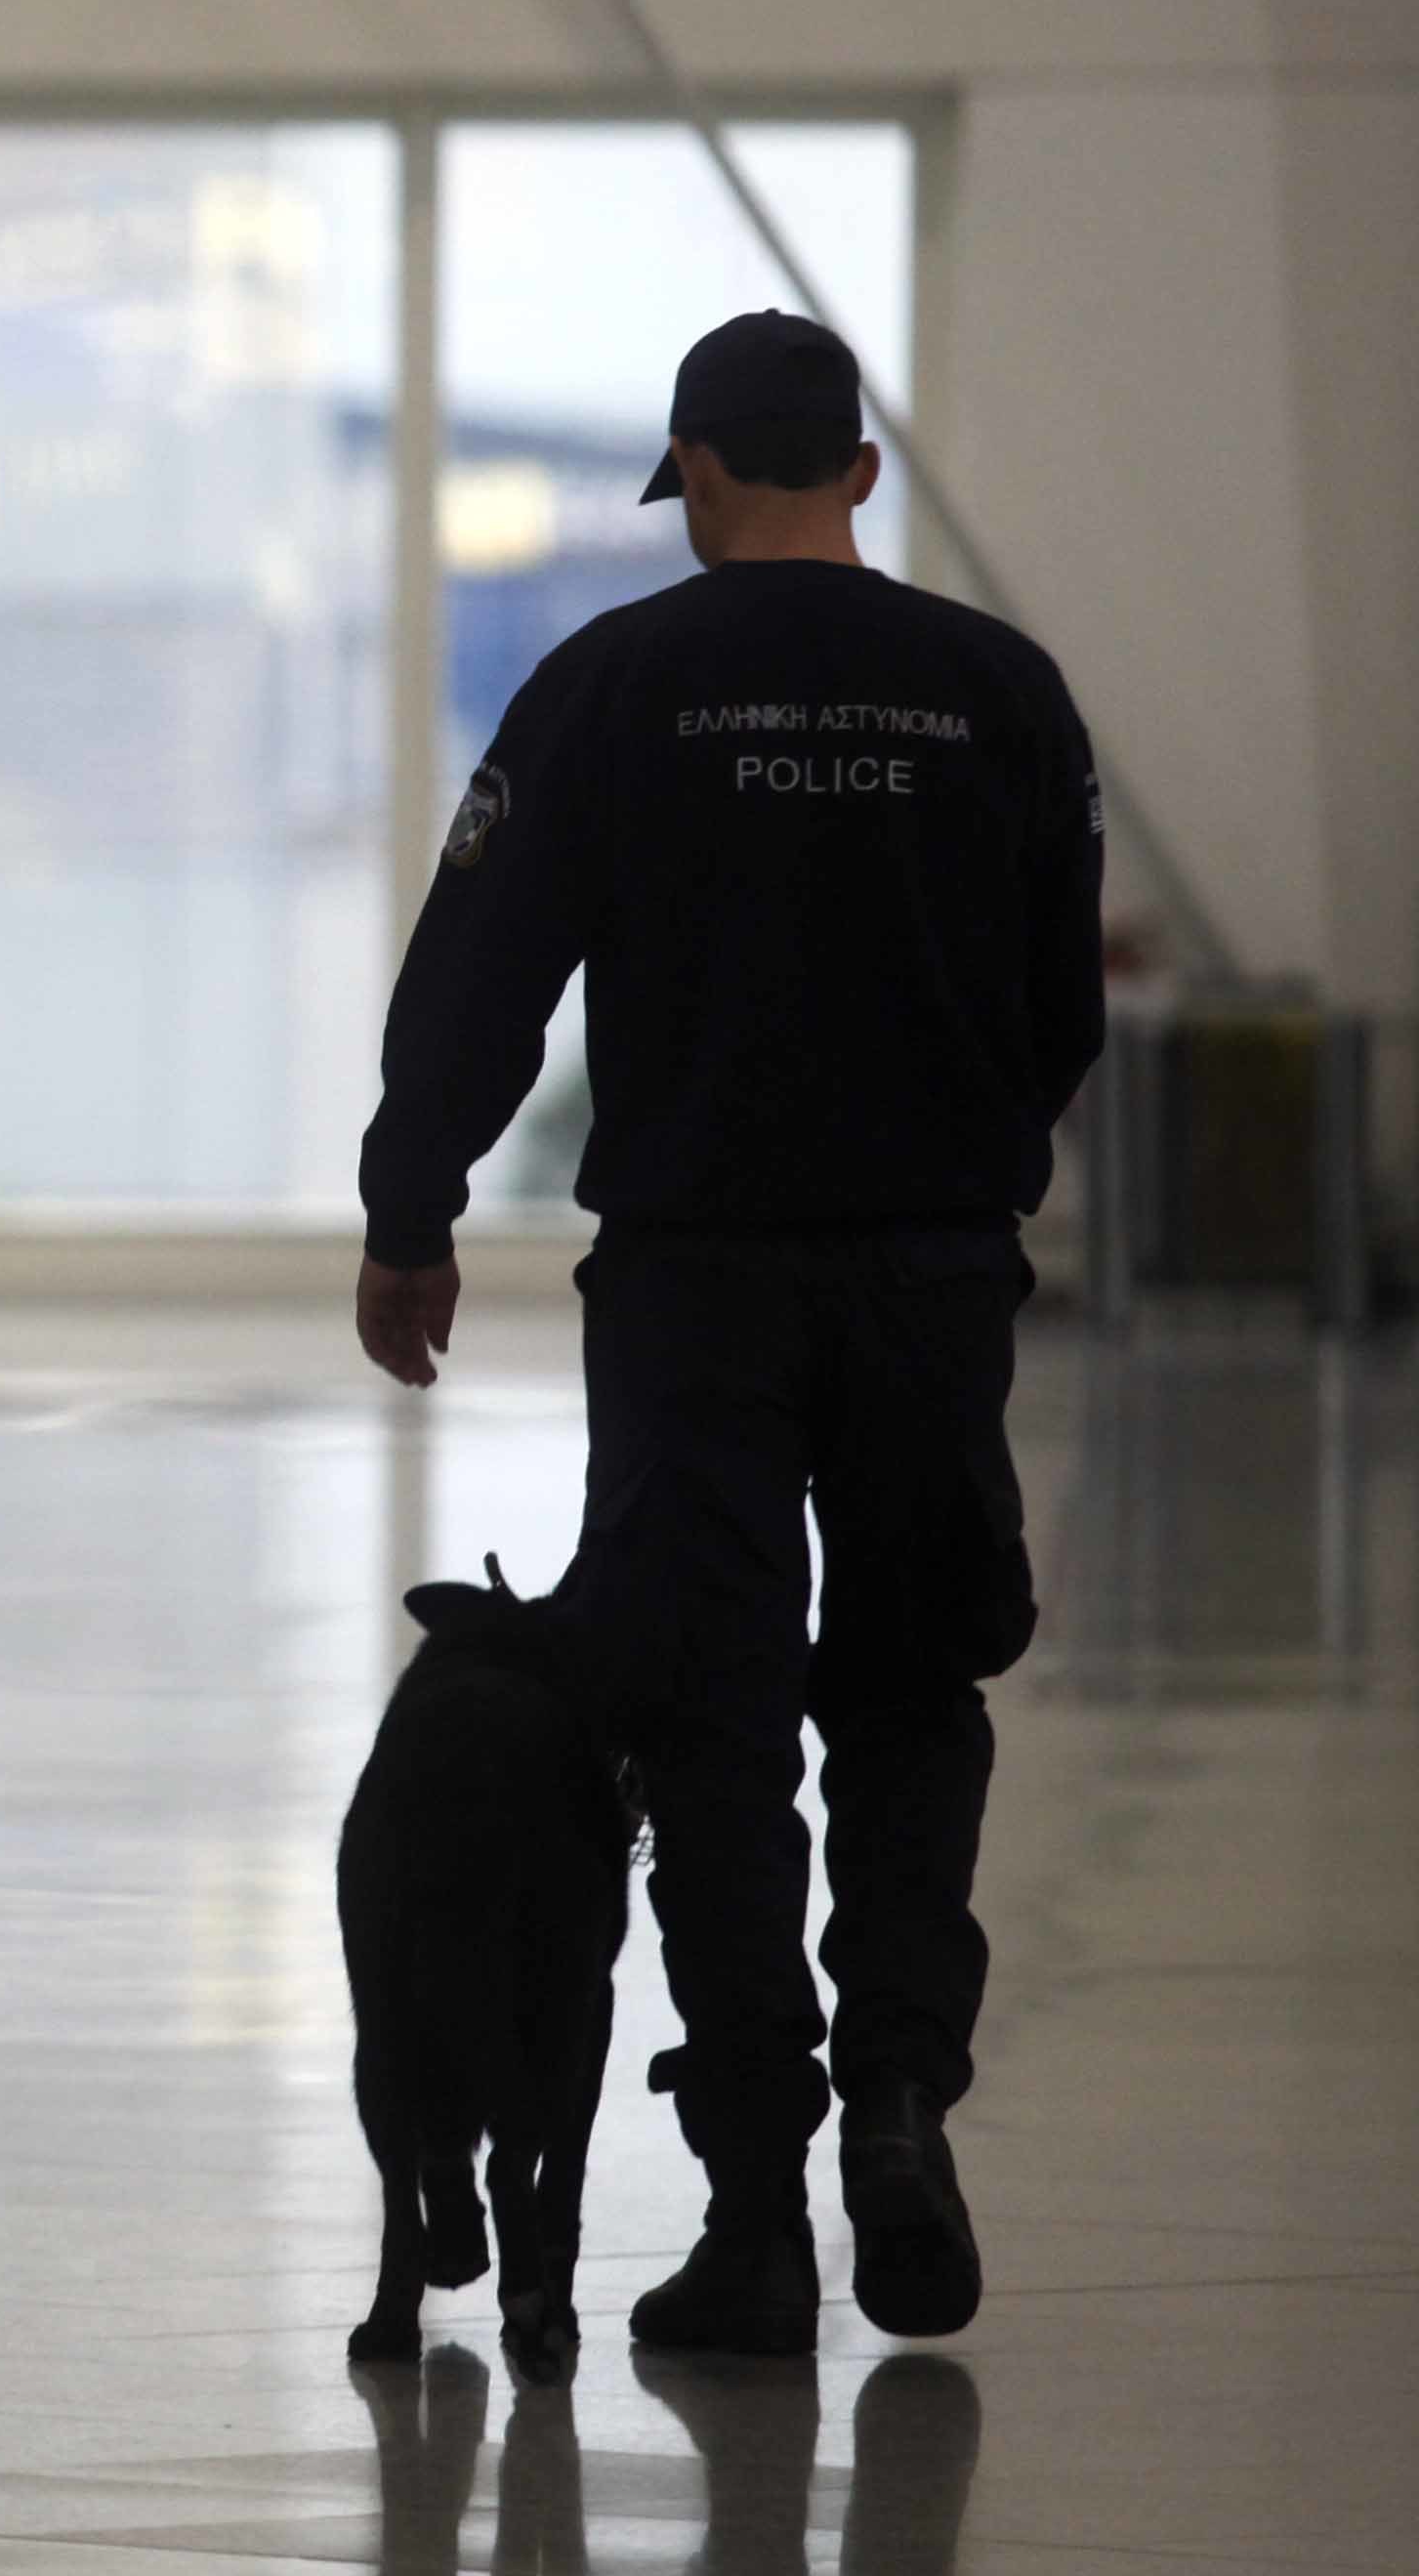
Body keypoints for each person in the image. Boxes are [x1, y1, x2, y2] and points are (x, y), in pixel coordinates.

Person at [352, 312, 1105, 2360]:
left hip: (696, 1283)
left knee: (710, 1719)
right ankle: (902, 2096)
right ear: (859, 474)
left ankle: (759, 2203)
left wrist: (411, 1211)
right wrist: (956, 1165)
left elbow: (480, 974)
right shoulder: (1001, 693)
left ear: (692, 473)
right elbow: (1063, 1018)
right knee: (912, 1689)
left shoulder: (612, 686)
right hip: (936, 1275)